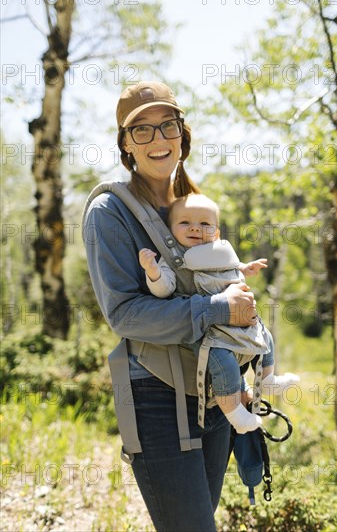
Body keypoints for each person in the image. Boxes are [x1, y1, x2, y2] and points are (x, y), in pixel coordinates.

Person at [84, 80, 272, 531]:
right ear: (126, 145)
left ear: (182, 136)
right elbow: (125, 315)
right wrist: (219, 310)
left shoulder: (192, 204)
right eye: (141, 130)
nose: (157, 139)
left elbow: (221, 283)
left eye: (166, 125)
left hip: (214, 391)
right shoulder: (109, 212)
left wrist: (240, 360)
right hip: (155, 396)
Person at [139, 193, 300, 434]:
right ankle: (235, 413)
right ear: (170, 231)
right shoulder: (172, 260)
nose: (195, 227)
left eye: (204, 224)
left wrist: (246, 268)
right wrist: (153, 272)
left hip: (239, 317)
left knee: (265, 334)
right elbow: (164, 289)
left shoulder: (218, 252)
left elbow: (231, 269)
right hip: (207, 328)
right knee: (222, 362)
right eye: (185, 223)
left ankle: (267, 379)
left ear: (216, 233)